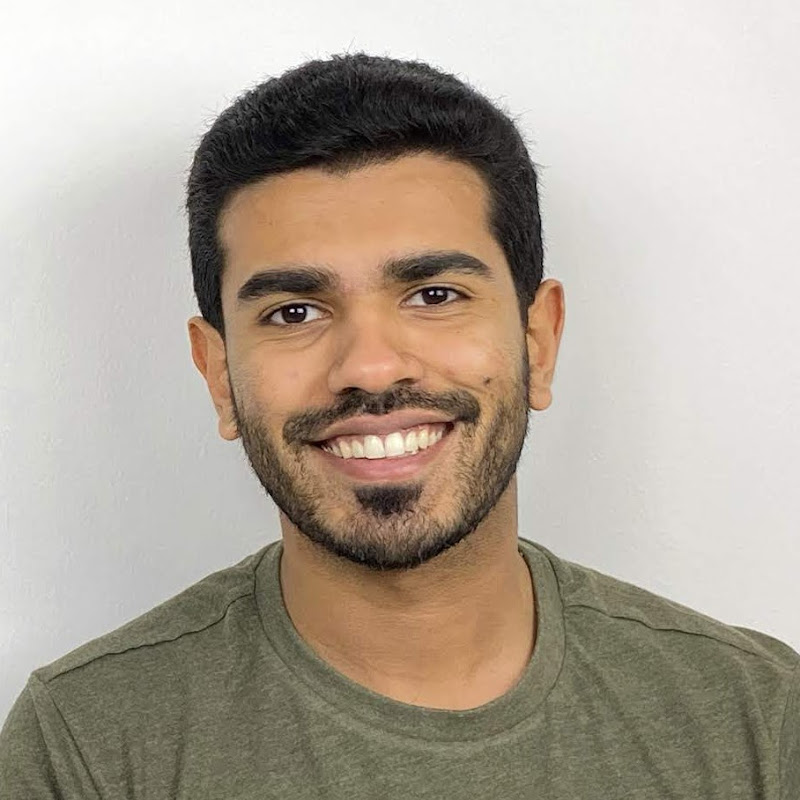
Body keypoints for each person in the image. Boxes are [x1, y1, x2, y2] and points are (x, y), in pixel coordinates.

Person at [1, 52, 797, 799]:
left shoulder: (760, 718)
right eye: (295, 311)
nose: (373, 368)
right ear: (219, 375)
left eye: (434, 296)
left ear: (538, 341)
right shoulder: (86, 747)